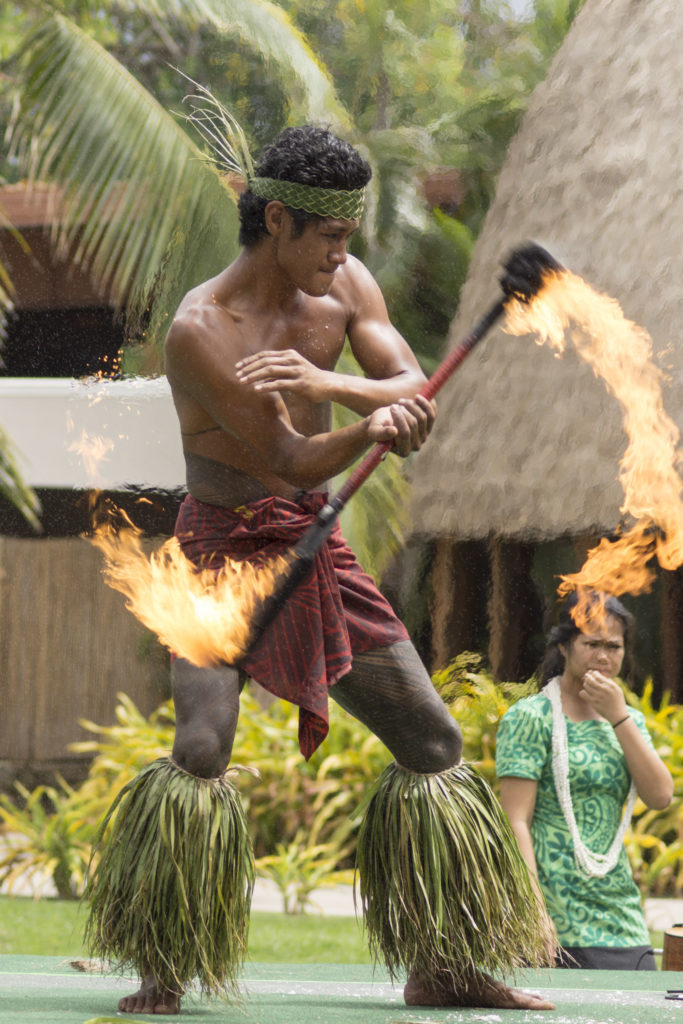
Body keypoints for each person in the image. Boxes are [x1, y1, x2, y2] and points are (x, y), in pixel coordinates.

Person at [85, 121, 555, 1015]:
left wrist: (341, 388)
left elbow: (409, 379)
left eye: (350, 239)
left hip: (314, 542)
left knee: (433, 741)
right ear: (274, 222)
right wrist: (369, 423)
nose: (343, 258)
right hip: (222, 554)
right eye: (328, 238)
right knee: (199, 748)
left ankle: (444, 964)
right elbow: (293, 458)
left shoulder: (344, 286)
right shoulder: (200, 330)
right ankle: (165, 962)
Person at [496, 590, 673, 971]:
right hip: (555, 919)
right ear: (564, 646)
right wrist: (532, 911)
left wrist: (619, 717)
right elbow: (515, 822)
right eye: (592, 644)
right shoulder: (532, 717)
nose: (604, 656)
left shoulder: (628, 722)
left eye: (614, 646)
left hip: (621, 920)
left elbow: (660, 796)